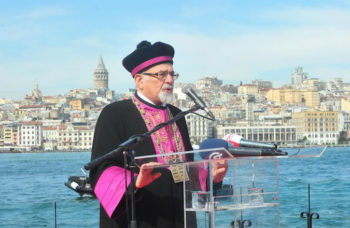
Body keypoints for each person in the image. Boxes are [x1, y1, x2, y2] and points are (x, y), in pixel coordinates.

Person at [89, 40, 227, 228]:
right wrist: (135, 183)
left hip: (180, 215)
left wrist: (212, 178)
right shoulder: (115, 114)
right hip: (141, 215)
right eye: (162, 74)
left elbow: (185, 168)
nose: (169, 80)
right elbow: (102, 169)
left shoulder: (177, 115)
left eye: (172, 74)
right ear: (139, 80)